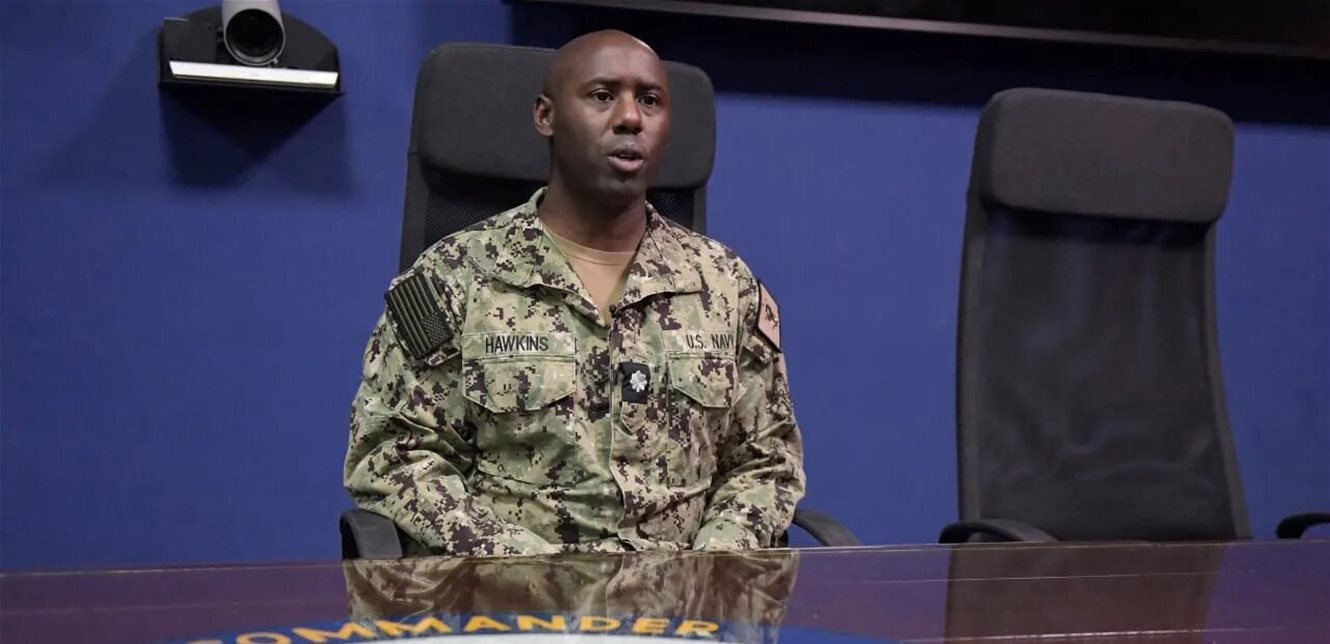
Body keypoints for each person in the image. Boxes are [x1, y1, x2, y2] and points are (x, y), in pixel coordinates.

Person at [343, 30, 804, 556]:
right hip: (509, 595)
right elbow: (394, 457)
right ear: (546, 116)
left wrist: (714, 565)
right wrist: (525, 568)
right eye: (603, 96)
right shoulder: (455, 278)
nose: (630, 117)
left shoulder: (724, 285)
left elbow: (766, 462)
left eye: (650, 100)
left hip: (687, 596)